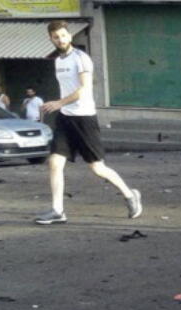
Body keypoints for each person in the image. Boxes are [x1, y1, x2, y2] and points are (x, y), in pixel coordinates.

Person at [35, 21, 142, 225]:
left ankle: (130, 195)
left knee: (97, 167)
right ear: (51, 39)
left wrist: (58, 103)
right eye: (56, 37)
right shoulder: (58, 61)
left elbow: (84, 89)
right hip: (65, 118)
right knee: (55, 163)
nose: (61, 39)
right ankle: (57, 210)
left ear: (70, 36)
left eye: (63, 35)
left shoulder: (81, 58)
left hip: (84, 118)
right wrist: (60, 106)